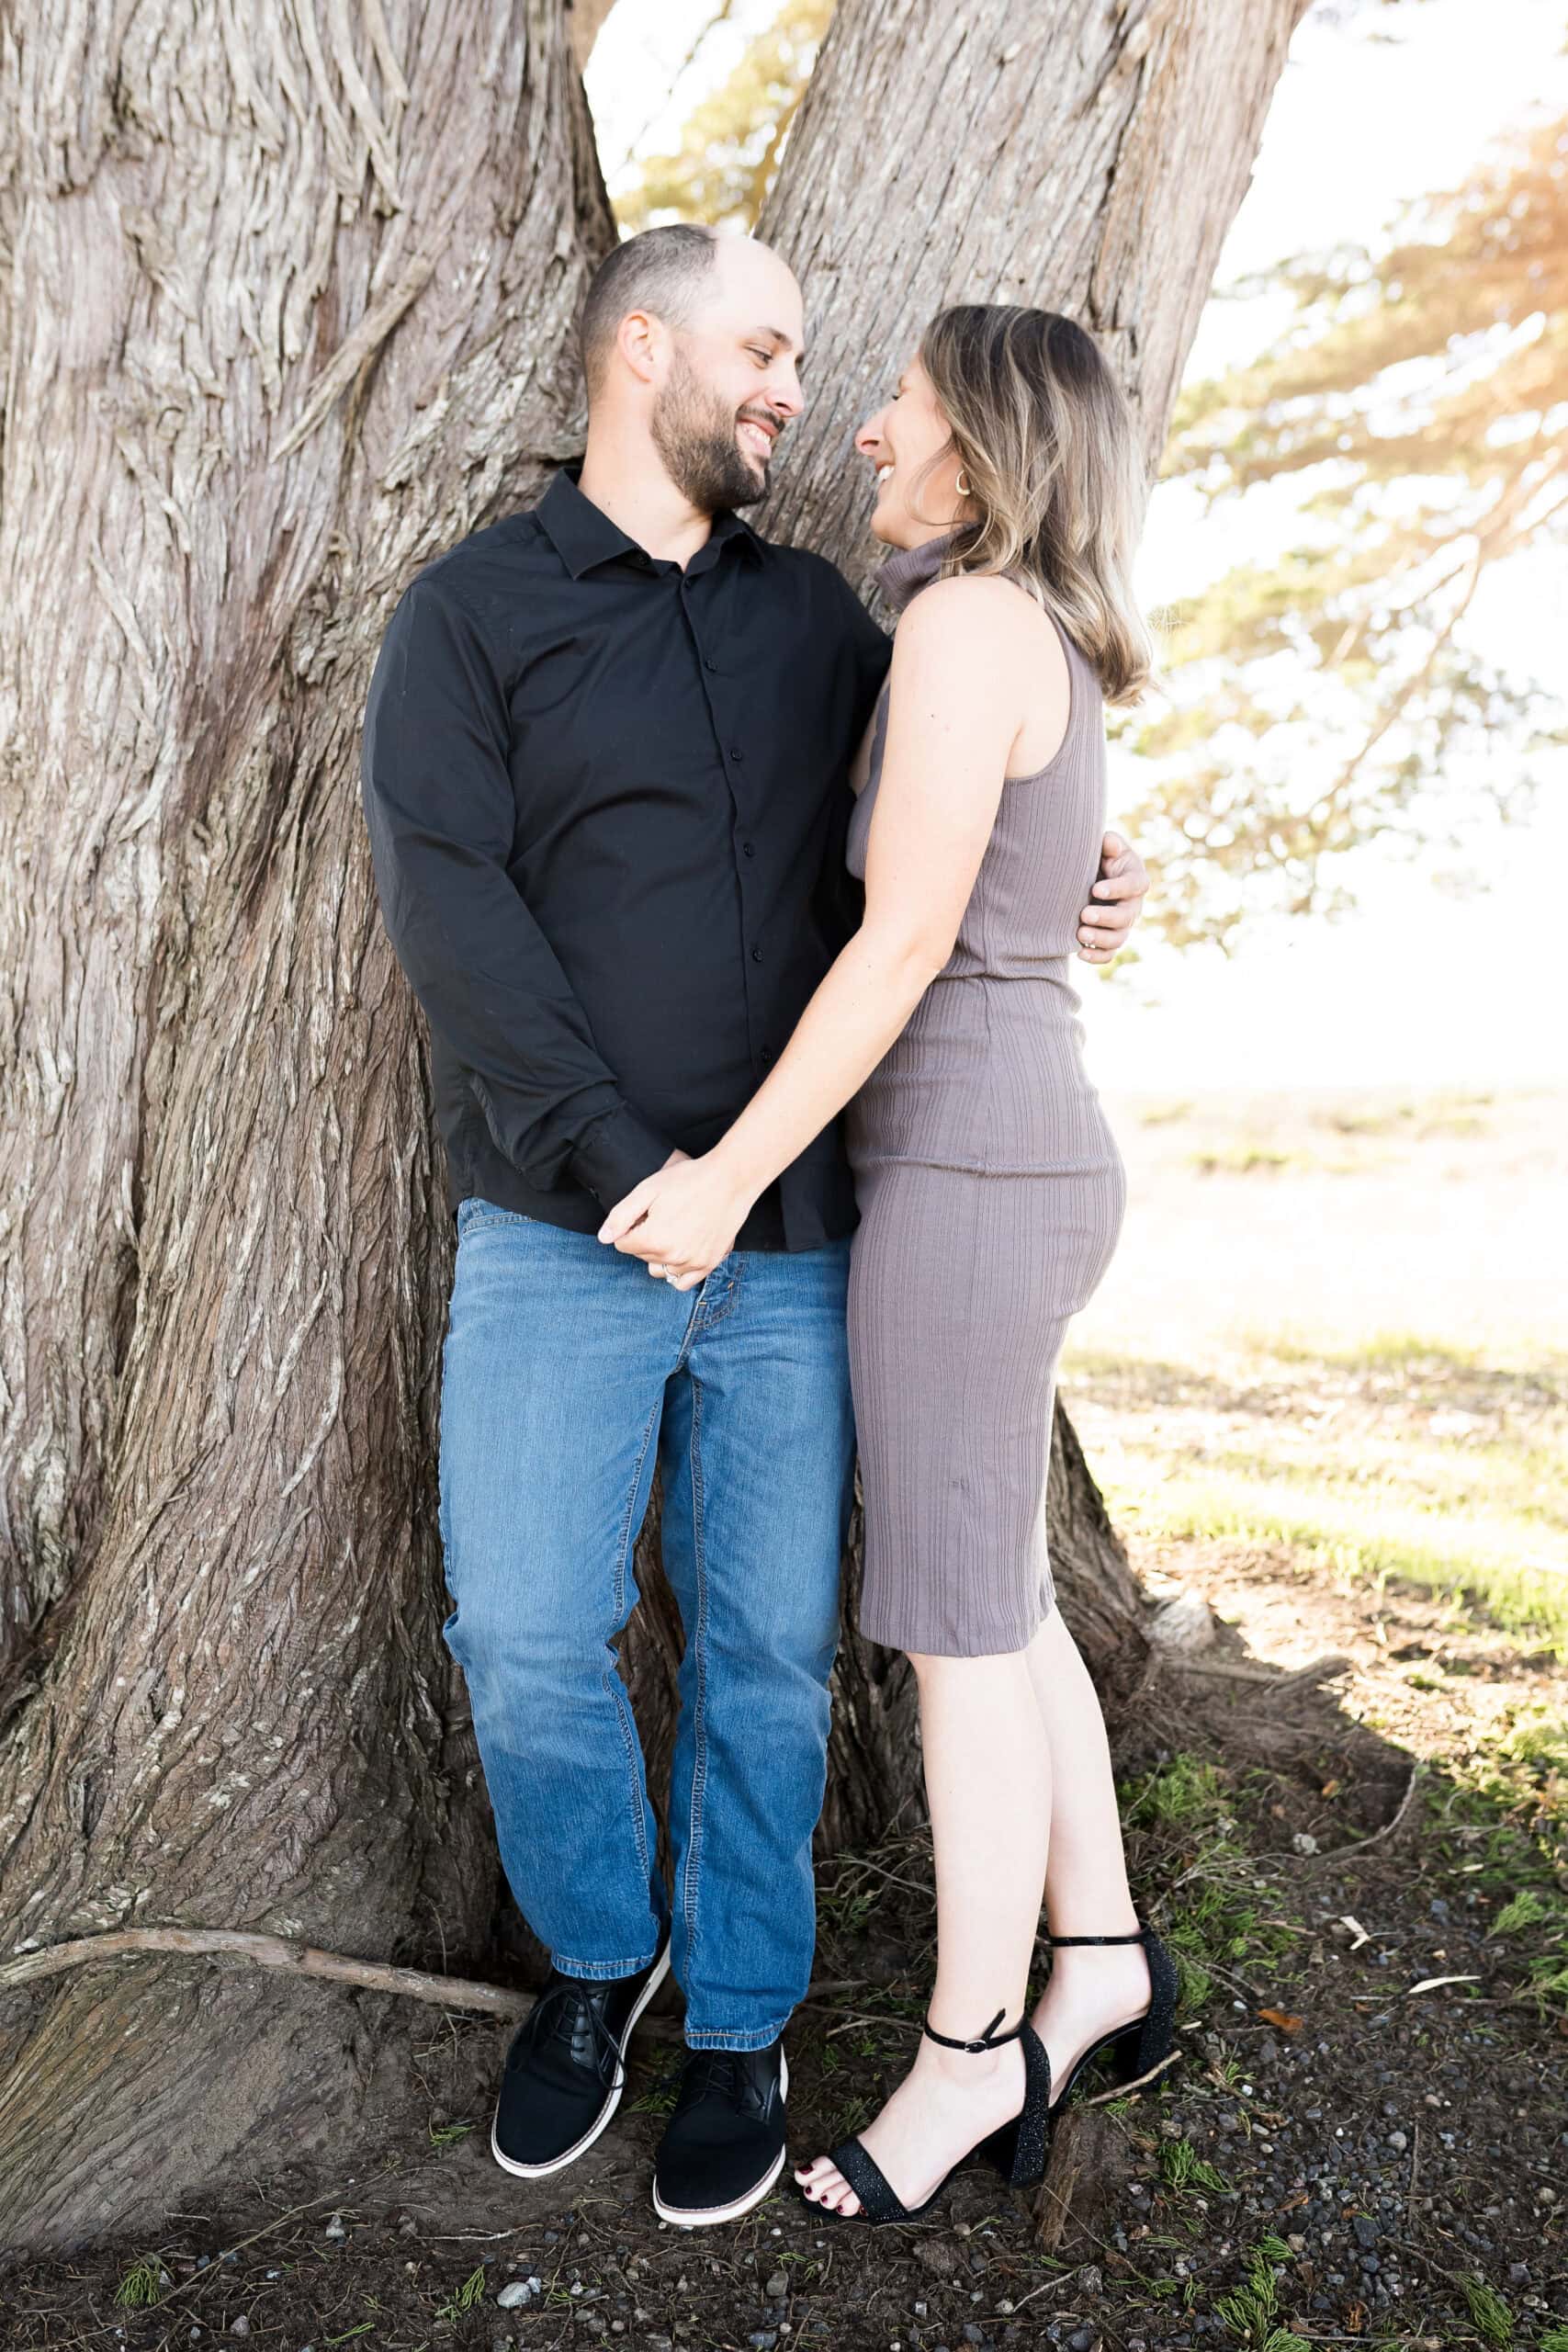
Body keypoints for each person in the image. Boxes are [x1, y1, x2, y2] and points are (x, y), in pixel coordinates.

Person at [359, 226, 1148, 2231]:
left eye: (810, 364)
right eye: (765, 350)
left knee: (770, 1659)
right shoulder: (471, 616)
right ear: (645, 346)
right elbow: (452, 910)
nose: (797, 394)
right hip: (565, 1224)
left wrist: (1097, 861)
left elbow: (956, 825)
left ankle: (739, 2017)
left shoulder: (830, 621)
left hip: (800, 1235)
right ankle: (596, 1959)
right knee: (522, 1628)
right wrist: (625, 1164)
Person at [598, 303, 1177, 2224]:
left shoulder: (963, 624)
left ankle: (969, 2049)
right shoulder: (1020, 630)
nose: (863, 432)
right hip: (1006, 1149)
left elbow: (906, 938)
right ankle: (1102, 1956)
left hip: (968, 1164)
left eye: (903, 408)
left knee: (951, 1628)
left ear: (980, 448)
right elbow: (1015, 880)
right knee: (995, 1593)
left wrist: (726, 1175)